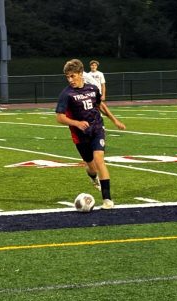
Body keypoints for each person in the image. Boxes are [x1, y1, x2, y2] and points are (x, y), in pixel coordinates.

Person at [55, 59, 126, 209]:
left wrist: (115, 121)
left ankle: (107, 199)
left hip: (97, 129)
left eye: (73, 76)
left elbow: (101, 105)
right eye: (67, 77)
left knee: (99, 160)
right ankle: (93, 177)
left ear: (81, 74)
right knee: (92, 167)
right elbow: (59, 117)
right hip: (80, 135)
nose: (70, 80)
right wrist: (77, 123)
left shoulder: (93, 89)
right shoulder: (66, 94)